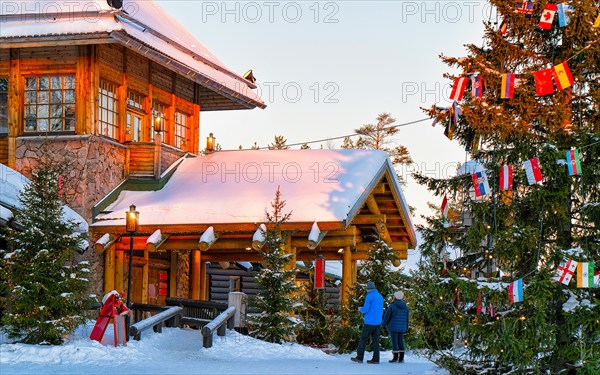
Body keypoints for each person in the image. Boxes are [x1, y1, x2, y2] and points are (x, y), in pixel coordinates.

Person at [351, 281, 384, 364]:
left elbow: (366, 309)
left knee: (363, 339)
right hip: (377, 322)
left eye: (366, 289)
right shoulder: (380, 296)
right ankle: (376, 359)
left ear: (368, 289)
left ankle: (359, 357)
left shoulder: (369, 296)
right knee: (376, 341)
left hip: (369, 322)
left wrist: (360, 309)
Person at [382, 290, 409, 363]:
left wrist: (383, 324)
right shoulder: (405, 307)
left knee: (395, 342)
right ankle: (401, 358)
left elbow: (386, 316)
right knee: (400, 342)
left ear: (395, 297)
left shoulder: (392, 306)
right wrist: (406, 327)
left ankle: (395, 357)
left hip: (393, 327)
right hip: (402, 327)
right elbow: (407, 318)